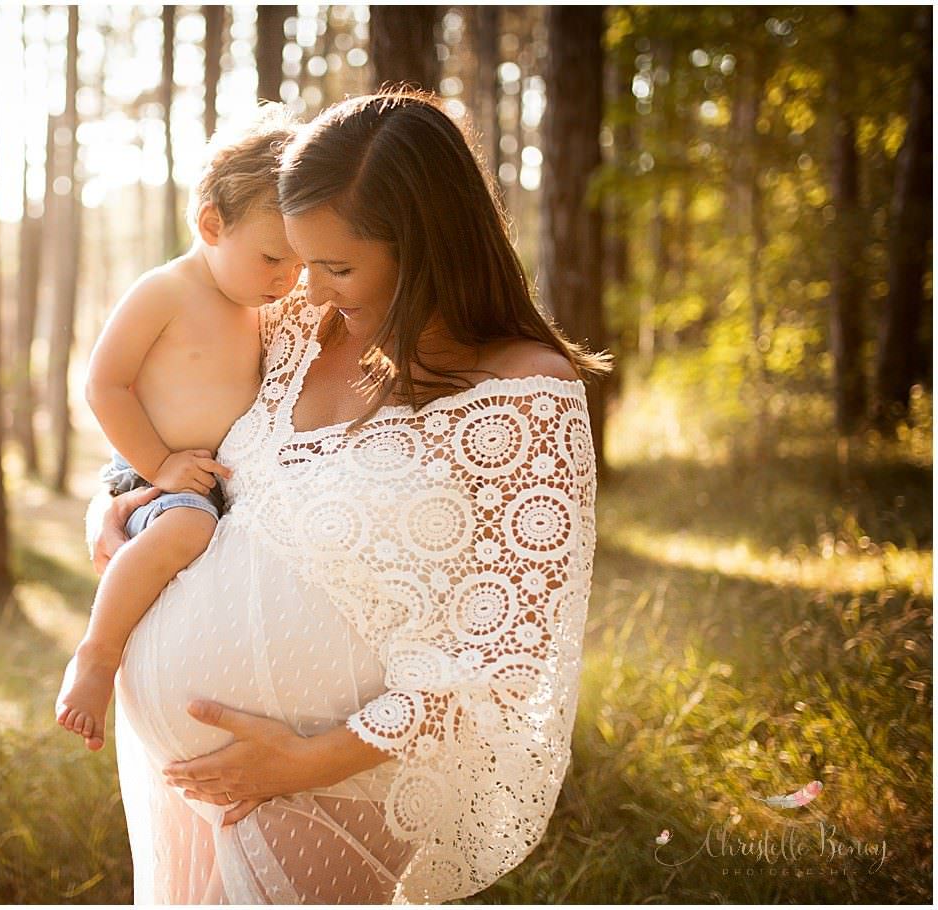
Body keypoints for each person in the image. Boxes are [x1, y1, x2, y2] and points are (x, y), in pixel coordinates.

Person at [88, 90, 613, 904]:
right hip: (179, 771)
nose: (312, 289)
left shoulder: (523, 397)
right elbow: (172, 406)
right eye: (299, 260)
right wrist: (116, 500)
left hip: (338, 780)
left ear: (430, 247)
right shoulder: (294, 327)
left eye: (336, 266)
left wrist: (309, 758)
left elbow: (507, 657)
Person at [55, 111, 303, 752]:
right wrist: (159, 463)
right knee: (188, 529)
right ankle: (96, 655)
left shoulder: (254, 303)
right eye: (273, 258)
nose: (286, 279)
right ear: (211, 225)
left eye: (299, 263)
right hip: (151, 473)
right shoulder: (164, 291)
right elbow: (104, 384)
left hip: (203, 478)